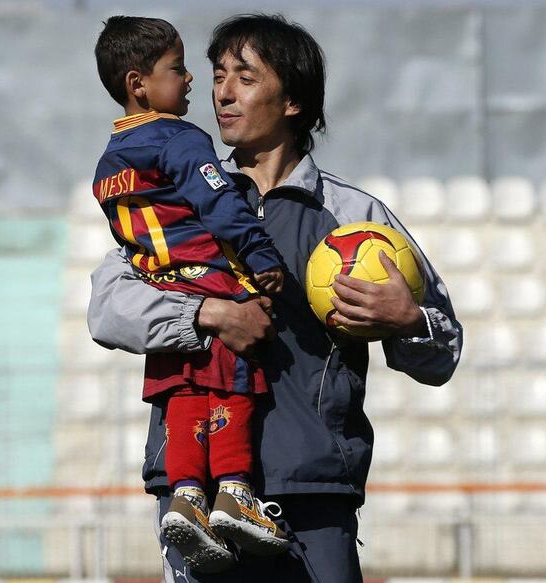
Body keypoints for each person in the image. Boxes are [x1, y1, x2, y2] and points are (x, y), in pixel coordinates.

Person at [88, 13, 463, 583]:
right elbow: (107, 308)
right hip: (196, 503)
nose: (221, 92)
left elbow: (443, 353)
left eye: (245, 76)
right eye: (216, 75)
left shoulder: (355, 219)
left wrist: (406, 320)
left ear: (292, 100)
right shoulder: (177, 198)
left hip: (312, 493)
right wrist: (207, 313)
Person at [92, 16, 291, 573]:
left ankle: (185, 497)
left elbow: (129, 244)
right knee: (232, 388)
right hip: (210, 281)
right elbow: (217, 204)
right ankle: (233, 492)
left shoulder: (109, 166)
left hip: (163, 293)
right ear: (139, 84)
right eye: (177, 70)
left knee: (182, 400)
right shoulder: (180, 140)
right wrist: (261, 258)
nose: (189, 83)